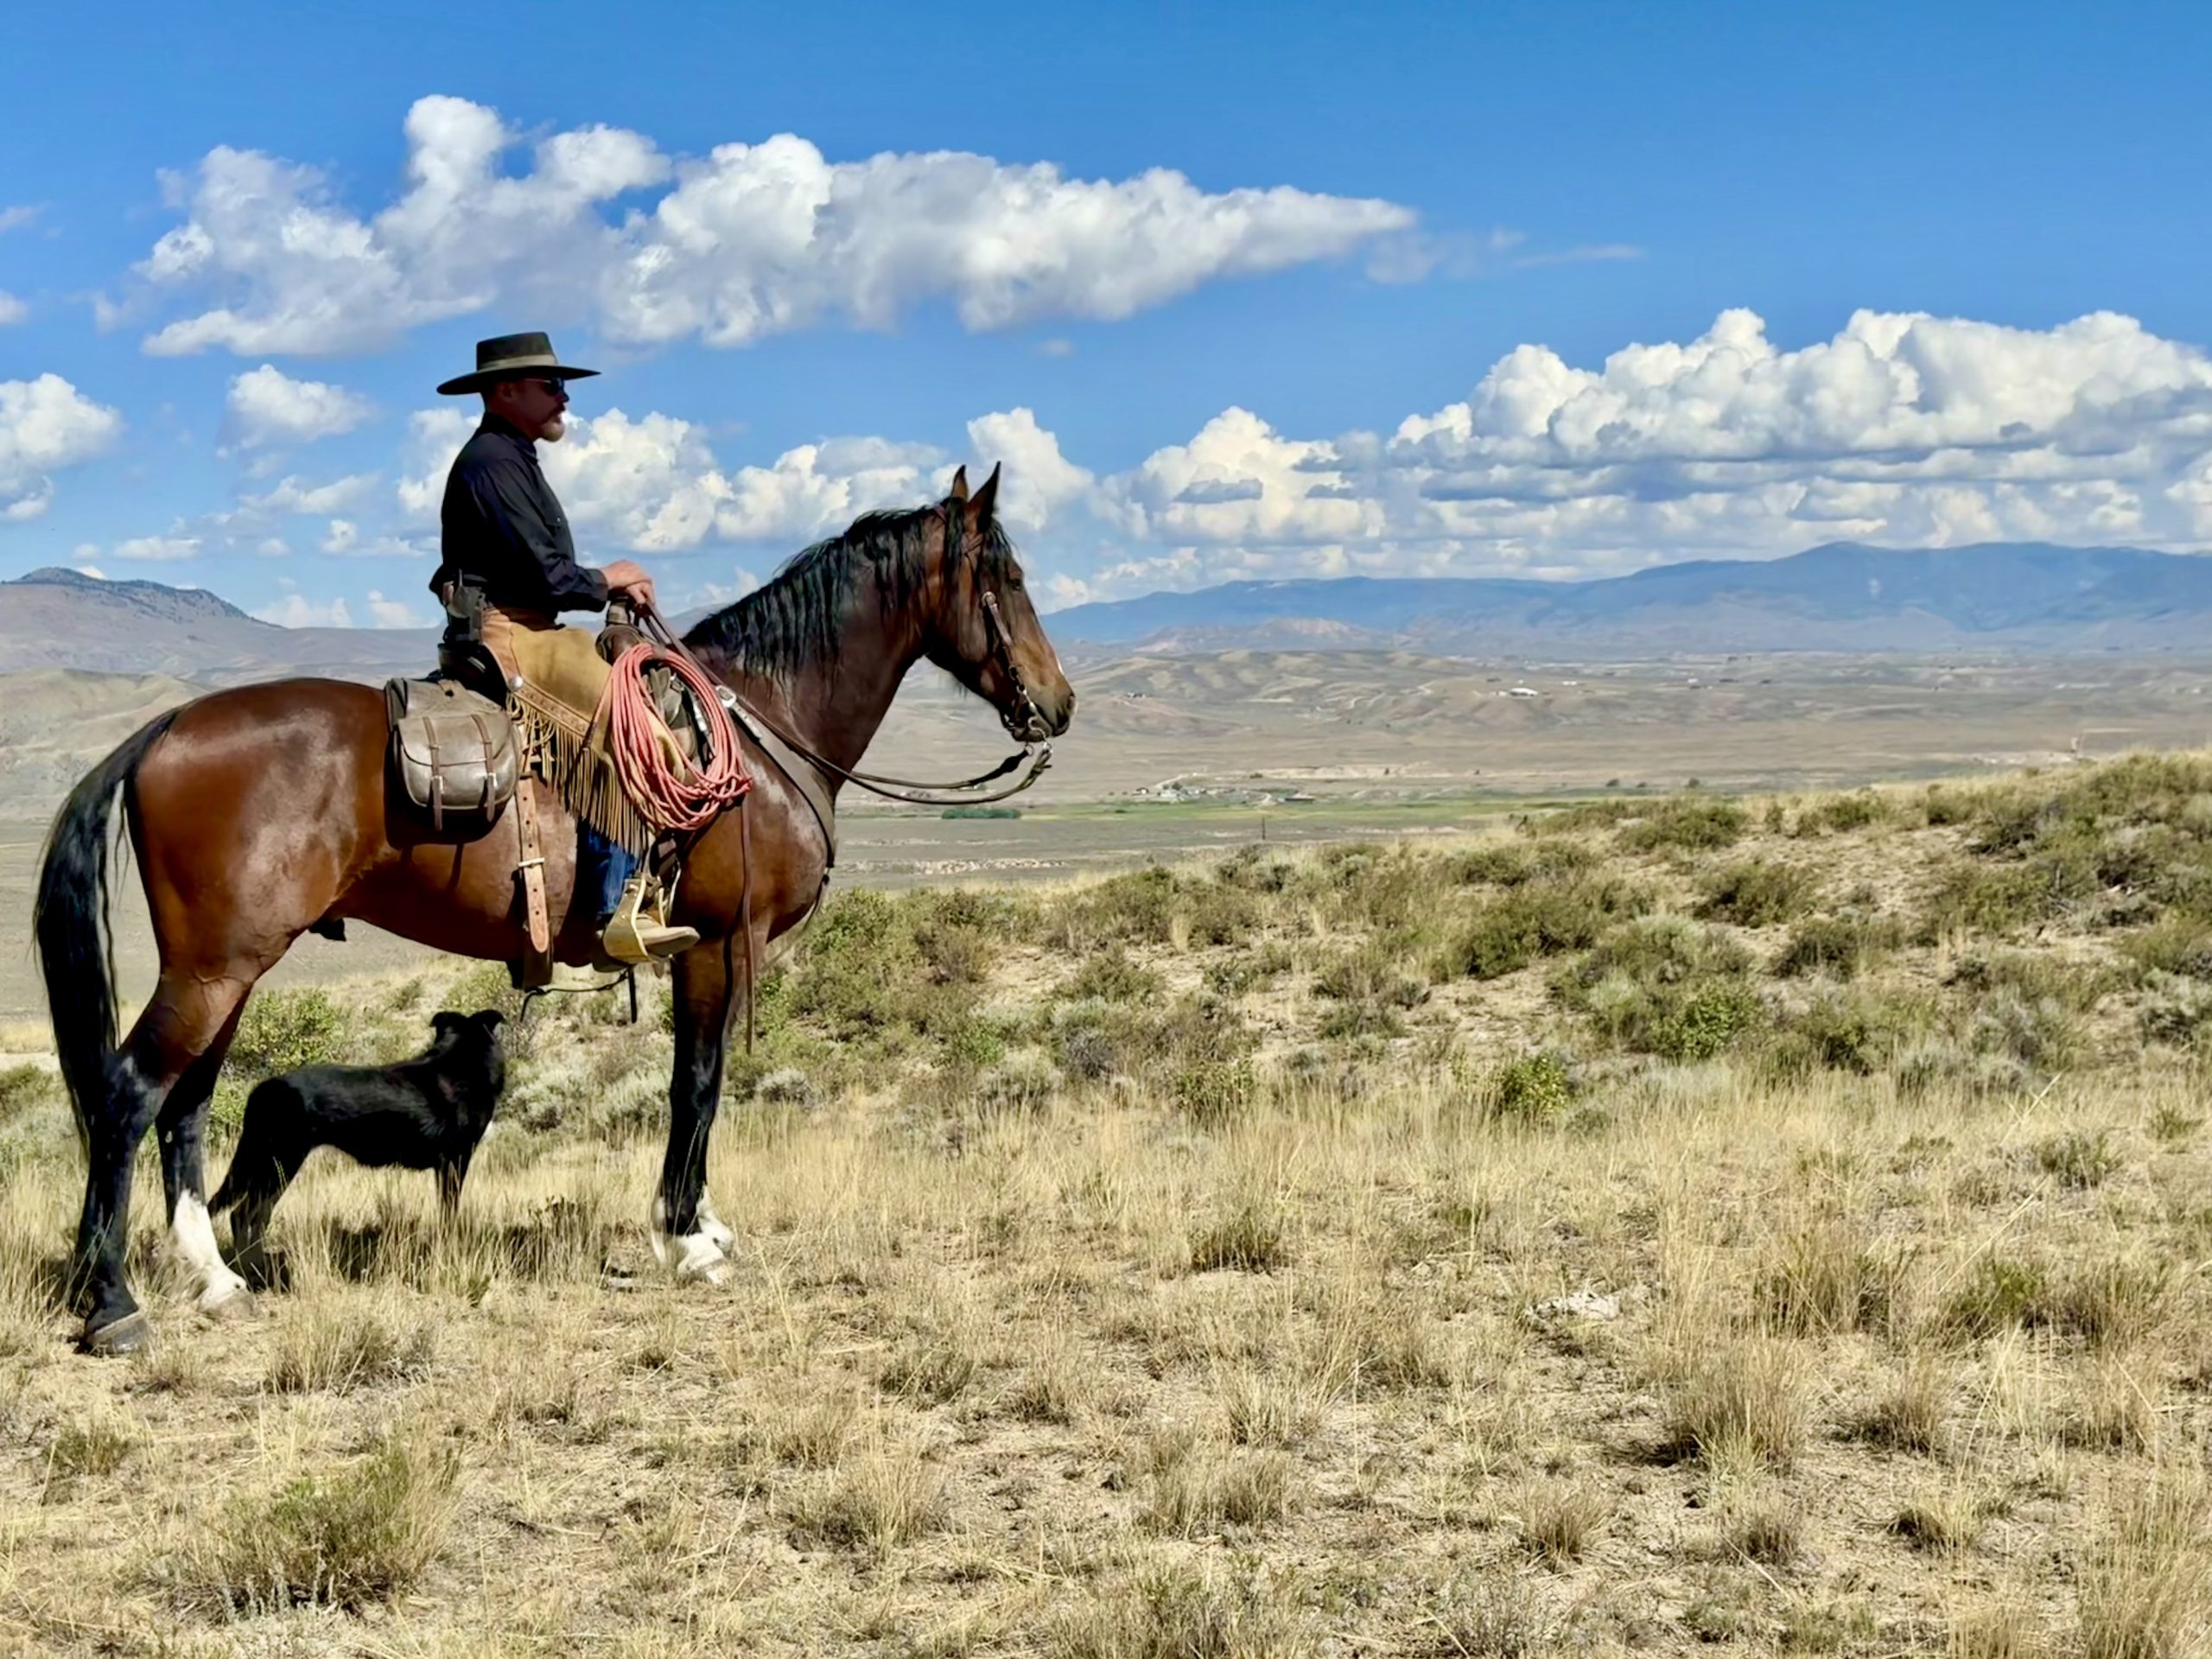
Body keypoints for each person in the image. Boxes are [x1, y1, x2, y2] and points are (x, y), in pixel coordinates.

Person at [428, 331, 697, 965]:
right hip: (513, 632)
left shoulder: (511, 457)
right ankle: (617, 908)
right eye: (551, 386)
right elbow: (549, 576)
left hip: (532, 623)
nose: (564, 397)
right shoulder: (492, 462)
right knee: (627, 722)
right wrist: (613, 577)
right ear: (505, 391)